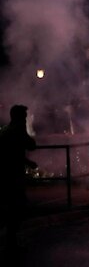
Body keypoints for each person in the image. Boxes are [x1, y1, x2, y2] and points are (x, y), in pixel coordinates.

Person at [0, 105, 37, 253]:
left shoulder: (4, 131)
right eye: (24, 116)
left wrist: (28, 163)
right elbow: (31, 145)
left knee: (10, 207)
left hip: (4, 174)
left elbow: (11, 153)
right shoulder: (17, 130)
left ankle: (10, 241)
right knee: (16, 207)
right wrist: (28, 130)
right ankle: (11, 242)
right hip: (13, 175)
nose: (26, 118)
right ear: (20, 117)